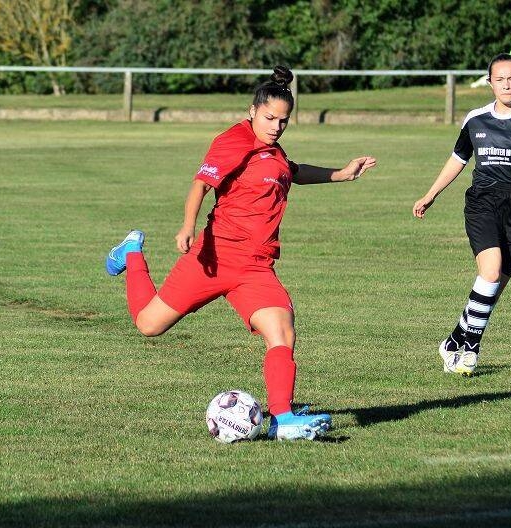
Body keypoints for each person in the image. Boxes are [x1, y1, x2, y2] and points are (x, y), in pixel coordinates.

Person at [105, 66, 377, 440]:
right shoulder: (233, 141)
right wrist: (187, 226)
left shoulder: (274, 150)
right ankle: (132, 252)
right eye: (269, 118)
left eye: (283, 120)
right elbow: (201, 184)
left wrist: (341, 174)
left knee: (281, 331)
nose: (276, 126)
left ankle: (283, 419)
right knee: (148, 325)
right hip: (215, 257)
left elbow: (292, 171)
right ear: (252, 111)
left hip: (255, 267)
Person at [413, 53, 511, 376]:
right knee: (489, 272)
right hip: (482, 202)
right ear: (490, 83)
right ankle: (470, 349)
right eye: (499, 79)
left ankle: (453, 341)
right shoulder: (475, 119)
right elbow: (458, 158)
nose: (506, 85)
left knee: (494, 287)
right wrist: (431, 194)